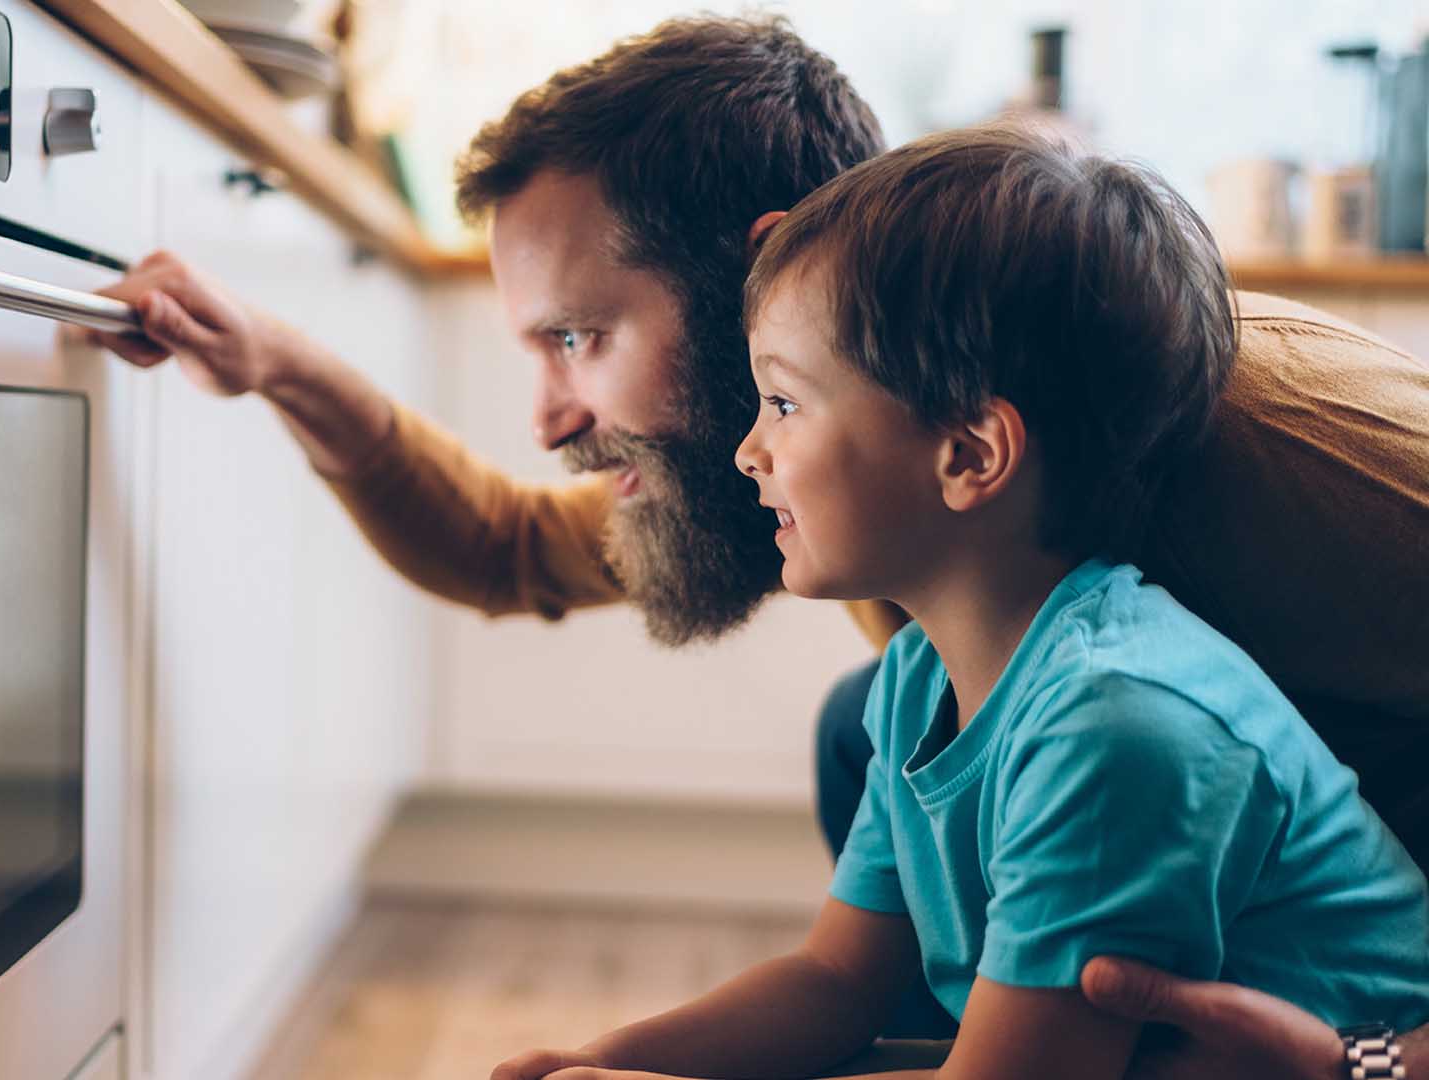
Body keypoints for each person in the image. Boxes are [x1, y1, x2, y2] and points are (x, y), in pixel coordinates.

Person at [90, 15, 1429, 1076]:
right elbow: (502, 548)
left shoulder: (1267, 447)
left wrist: (1375, 1063)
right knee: (874, 726)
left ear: (758, 271)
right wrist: (274, 363)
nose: (554, 412)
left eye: (580, 337)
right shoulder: (845, 465)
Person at [490, 123, 1429, 1080]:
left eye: (784, 404)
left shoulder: (1117, 726)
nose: (749, 452)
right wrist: (599, 1058)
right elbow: (833, 981)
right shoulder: (918, 677)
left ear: (971, 456)